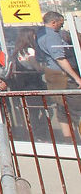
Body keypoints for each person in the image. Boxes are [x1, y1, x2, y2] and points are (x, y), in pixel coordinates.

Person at [35, 11, 81, 140]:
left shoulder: (40, 33)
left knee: (62, 108)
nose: (61, 27)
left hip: (52, 74)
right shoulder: (52, 36)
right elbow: (60, 58)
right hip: (63, 76)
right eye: (60, 24)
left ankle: (68, 141)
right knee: (78, 109)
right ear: (53, 22)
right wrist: (77, 78)